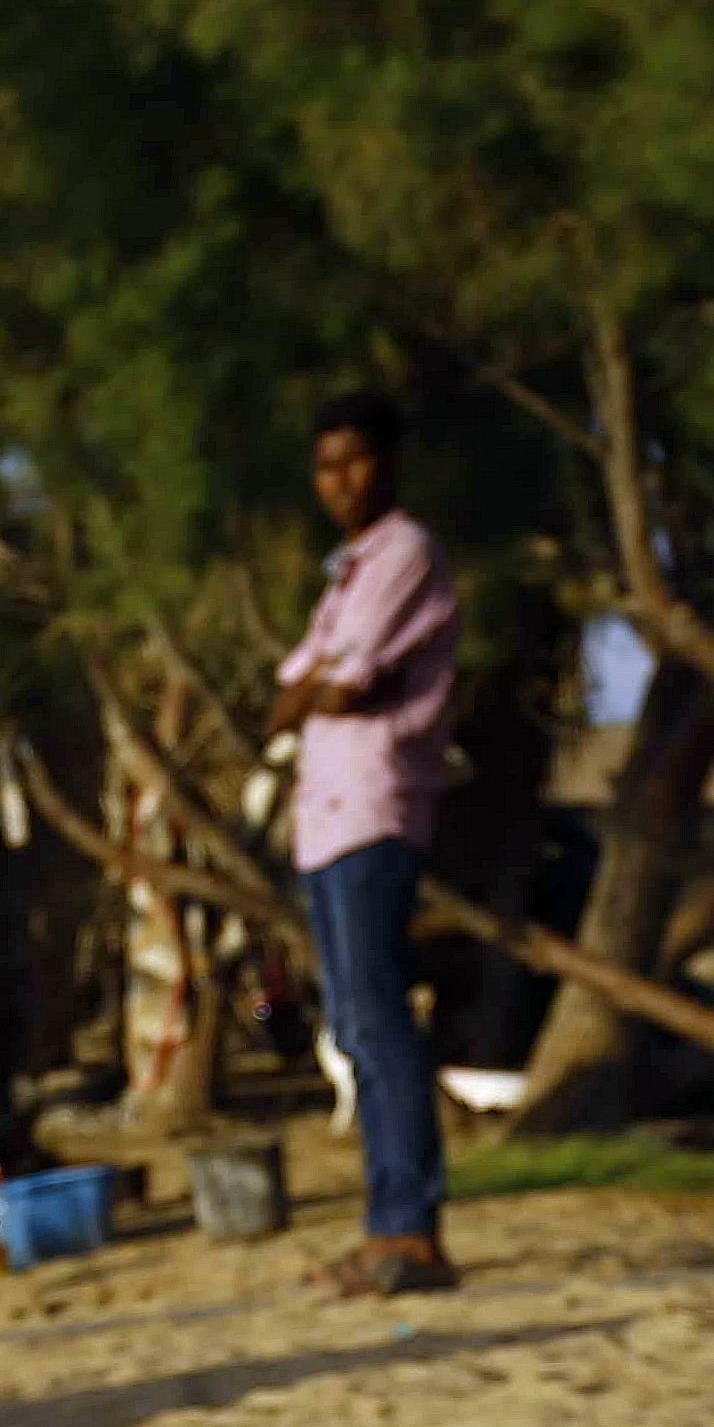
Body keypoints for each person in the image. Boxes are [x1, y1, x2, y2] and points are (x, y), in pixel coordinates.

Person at [263, 387, 463, 1300]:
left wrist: (316, 689)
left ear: (388, 462)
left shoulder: (405, 556)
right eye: (324, 465)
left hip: (377, 806)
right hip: (325, 818)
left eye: (355, 460)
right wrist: (313, 689)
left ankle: (411, 1227)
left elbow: (339, 689)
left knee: (381, 1021)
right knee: (350, 1023)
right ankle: (384, 1225)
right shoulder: (341, 575)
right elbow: (290, 690)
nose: (339, 481)